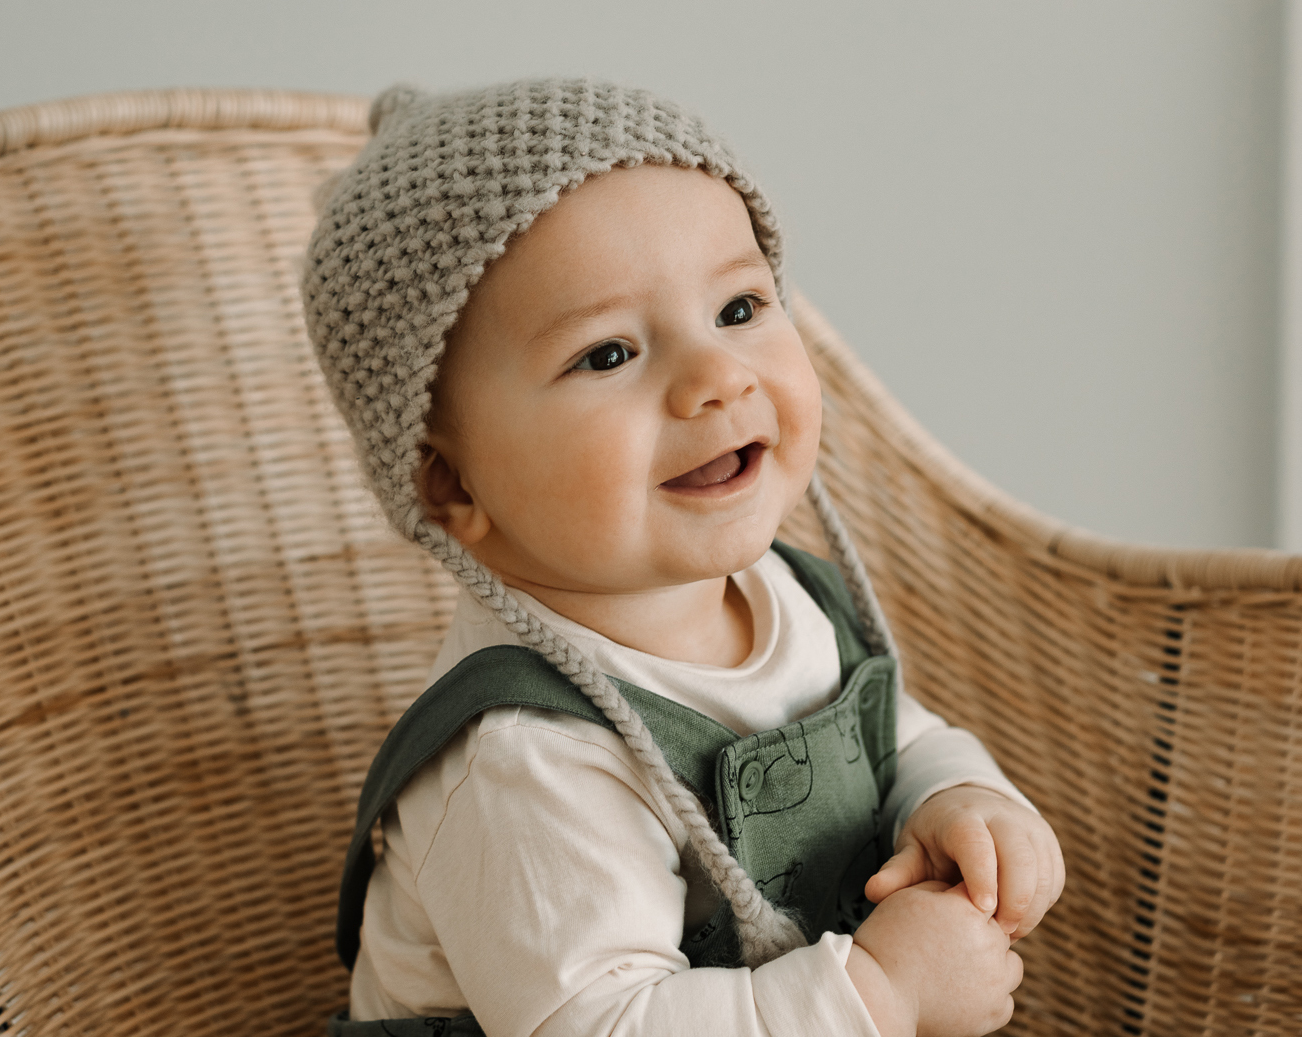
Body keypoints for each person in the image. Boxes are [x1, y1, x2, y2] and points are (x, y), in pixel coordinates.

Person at [301, 78, 1065, 1037]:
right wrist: (881, 994)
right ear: (452, 486)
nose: (715, 377)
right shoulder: (525, 759)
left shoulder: (780, 589)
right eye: (609, 354)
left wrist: (953, 794)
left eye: (739, 307)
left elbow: (892, 737)